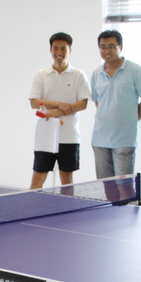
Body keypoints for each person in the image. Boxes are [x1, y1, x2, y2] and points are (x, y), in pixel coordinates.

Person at [27, 32, 90, 189]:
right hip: (45, 135)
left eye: (63, 48)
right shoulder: (41, 75)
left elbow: (83, 104)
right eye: (55, 48)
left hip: (69, 137)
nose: (59, 52)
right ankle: (32, 205)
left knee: (66, 179)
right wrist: (58, 104)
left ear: (70, 50)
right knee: (37, 178)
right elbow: (34, 102)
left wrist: (58, 112)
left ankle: (67, 207)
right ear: (50, 50)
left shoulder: (78, 75)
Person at [90, 30, 141, 178]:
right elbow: (98, 102)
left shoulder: (135, 70)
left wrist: (133, 119)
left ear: (120, 47)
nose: (107, 51)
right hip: (100, 140)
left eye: (111, 47)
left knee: (124, 186)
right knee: (105, 185)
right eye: (103, 47)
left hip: (124, 140)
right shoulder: (96, 73)